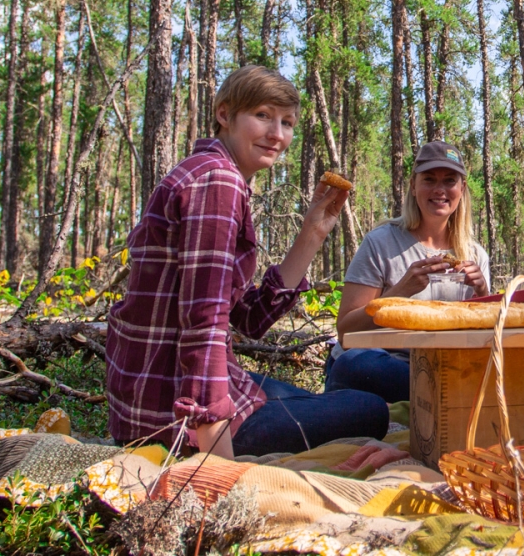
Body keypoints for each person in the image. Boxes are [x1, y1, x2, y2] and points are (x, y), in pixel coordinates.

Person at [106, 65, 388, 459]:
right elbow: (202, 322)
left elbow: (250, 320)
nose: (277, 135)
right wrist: (216, 459)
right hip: (169, 410)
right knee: (369, 409)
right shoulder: (216, 182)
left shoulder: (216, 175)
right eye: (263, 116)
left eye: (287, 122)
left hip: (183, 385)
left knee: (326, 398)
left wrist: (313, 232)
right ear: (224, 115)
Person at [326, 141, 491, 403]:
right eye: (429, 179)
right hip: (381, 365)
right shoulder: (381, 243)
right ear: (413, 187)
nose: (439, 190)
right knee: (359, 364)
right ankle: (443, 398)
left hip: (439, 367)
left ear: (462, 189)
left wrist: (482, 291)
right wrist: (401, 291)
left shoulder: (475, 255)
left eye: (449, 180)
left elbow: (483, 339)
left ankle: (438, 397)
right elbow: (346, 332)